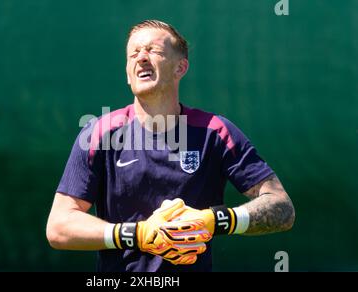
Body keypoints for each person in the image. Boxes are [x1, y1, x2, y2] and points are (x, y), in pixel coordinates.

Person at [46, 20, 295, 272]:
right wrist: (138, 234)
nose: (141, 58)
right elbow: (58, 226)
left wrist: (212, 220)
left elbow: (282, 208)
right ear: (127, 74)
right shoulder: (98, 133)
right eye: (134, 53)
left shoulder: (216, 131)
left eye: (153, 50)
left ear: (180, 67)